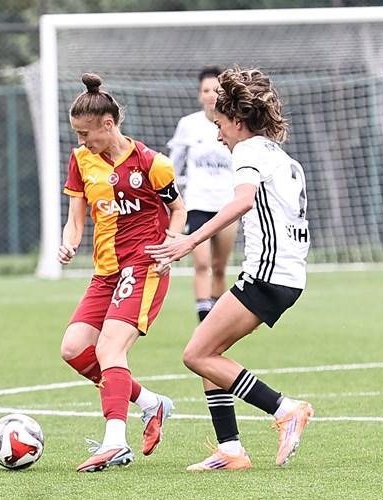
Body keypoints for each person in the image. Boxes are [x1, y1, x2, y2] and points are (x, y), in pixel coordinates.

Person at [146, 66, 314, 471]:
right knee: (209, 350)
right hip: (285, 276)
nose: (218, 134)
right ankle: (231, 449)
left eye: (220, 125)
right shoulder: (277, 153)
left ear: (238, 122)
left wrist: (190, 240)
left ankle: (285, 409)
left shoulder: (248, 151)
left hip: (267, 276)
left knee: (196, 354)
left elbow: (242, 201)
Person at [58, 72, 187, 473]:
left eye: (85, 133)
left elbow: (178, 209)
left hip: (144, 266)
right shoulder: (81, 160)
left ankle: (115, 441)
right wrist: (69, 242)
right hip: (105, 271)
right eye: (77, 134)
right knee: (73, 349)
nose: (81, 141)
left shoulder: (152, 164)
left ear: (108, 124)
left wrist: (172, 244)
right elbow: (75, 218)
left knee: (109, 349)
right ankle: (151, 403)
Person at [168, 66, 237, 323]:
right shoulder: (188, 125)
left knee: (219, 267)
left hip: (227, 205)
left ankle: (216, 321)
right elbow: (173, 166)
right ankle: (204, 321)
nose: (211, 95)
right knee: (202, 263)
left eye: (216, 90)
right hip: (197, 204)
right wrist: (169, 198)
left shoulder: (235, 124)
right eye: (206, 90)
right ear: (199, 95)